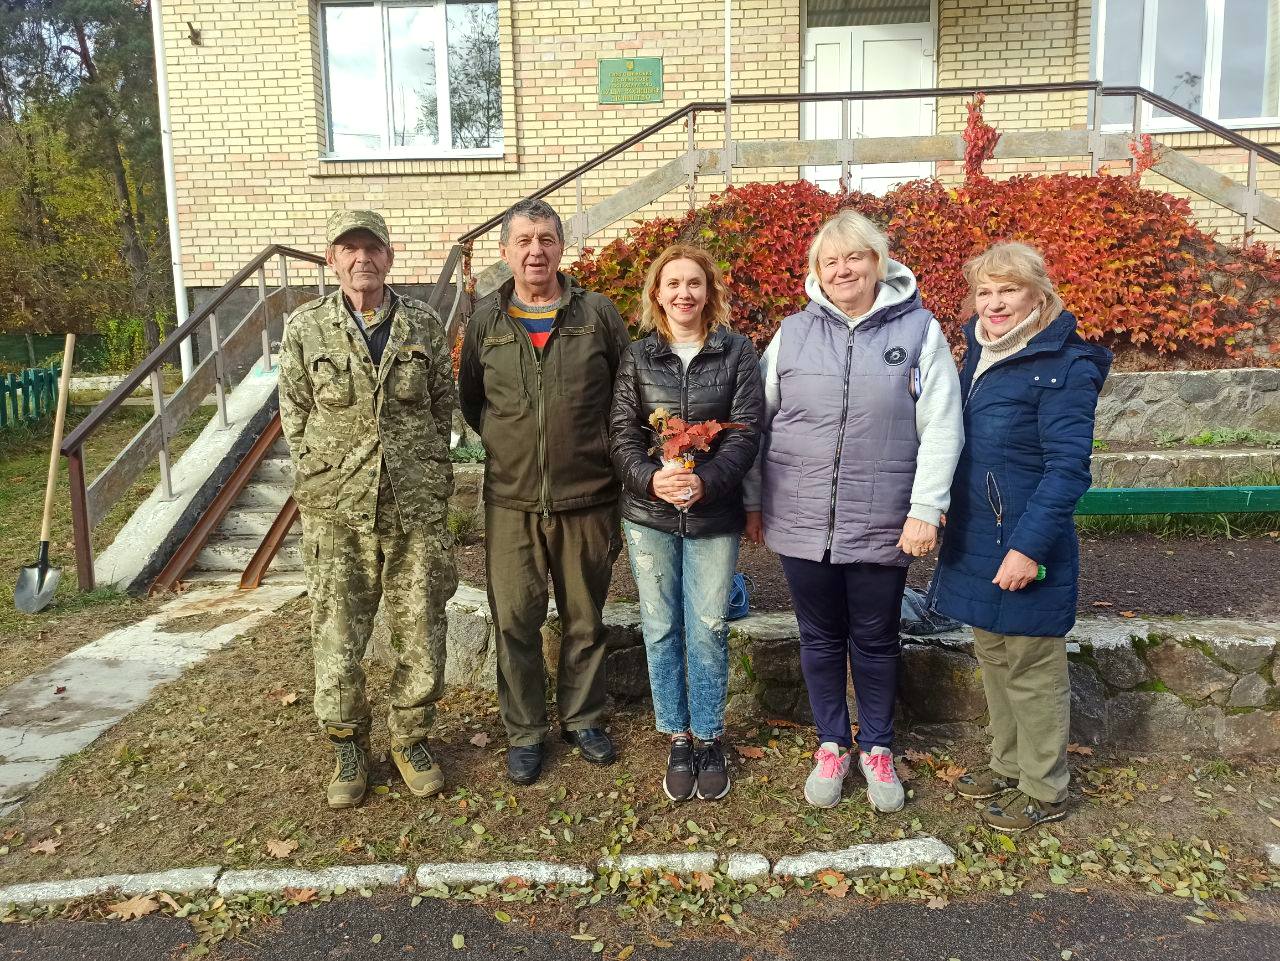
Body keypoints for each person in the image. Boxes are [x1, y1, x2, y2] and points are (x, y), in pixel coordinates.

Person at [743, 209, 963, 813]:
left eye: (855, 258)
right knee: (817, 638)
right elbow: (759, 424)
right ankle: (832, 744)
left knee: (875, 638)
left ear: (879, 264)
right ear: (817, 270)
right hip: (801, 516)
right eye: (830, 261)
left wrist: (926, 509)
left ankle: (879, 748)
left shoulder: (920, 332)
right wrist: (755, 502)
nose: (843, 270)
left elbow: (942, 426)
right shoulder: (792, 333)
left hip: (884, 517)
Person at [278, 210, 457, 809]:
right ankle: (347, 744)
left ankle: (410, 739)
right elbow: (295, 413)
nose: (362, 260)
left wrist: (425, 470)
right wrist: (324, 471)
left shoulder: (424, 325)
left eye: (372, 248)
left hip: (413, 508)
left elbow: (441, 407)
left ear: (389, 255)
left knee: (421, 630)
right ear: (332, 259)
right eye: (349, 249)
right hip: (338, 510)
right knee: (336, 633)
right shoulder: (306, 328)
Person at [929, 241, 1111, 831]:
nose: (994, 302)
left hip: (1026, 539)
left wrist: (1028, 548)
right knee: (994, 658)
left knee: (1032, 667)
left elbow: (1067, 469)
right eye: (985, 291)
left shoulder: (1064, 365)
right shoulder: (977, 354)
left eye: (1008, 289)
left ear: (1039, 293)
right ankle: (1007, 767)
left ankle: (1045, 787)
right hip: (978, 535)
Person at [459, 198, 631, 786]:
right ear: (506, 251)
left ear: (563, 248)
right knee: (515, 619)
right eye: (524, 240)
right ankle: (526, 730)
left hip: (589, 498)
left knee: (585, 618)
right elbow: (472, 400)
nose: (536, 251)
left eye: (547, 239)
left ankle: (583, 719)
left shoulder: (598, 314)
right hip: (510, 500)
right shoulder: (486, 319)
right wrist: (509, 448)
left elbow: (624, 400)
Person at [608, 244, 763, 802]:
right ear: (657, 293)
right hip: (649, 515)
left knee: (707, 626)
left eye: (694, 283)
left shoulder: (737, 352)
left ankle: (709, 735)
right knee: (661, 626)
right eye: (672, 284)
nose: (683, 294)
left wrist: (706, 482)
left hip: (713, 514)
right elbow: (622, 436)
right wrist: (652, 478)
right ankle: (676, 733)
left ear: (709, 290)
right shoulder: (638, 357)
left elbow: (745, 434)